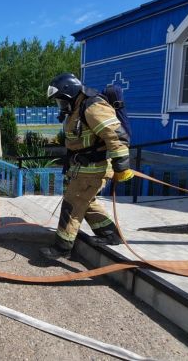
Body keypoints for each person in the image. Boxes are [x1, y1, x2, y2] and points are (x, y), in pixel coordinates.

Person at [40, 73, 133, 260]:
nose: (60, 105)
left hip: (94, 168)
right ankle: (110, 235)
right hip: (83, 168)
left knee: (72, 205)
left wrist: (122, 166)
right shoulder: (77, 107)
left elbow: (117, 135)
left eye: (60, 100)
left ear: (70, 93)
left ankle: (62, 248)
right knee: (86, 202)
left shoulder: (92, 106)